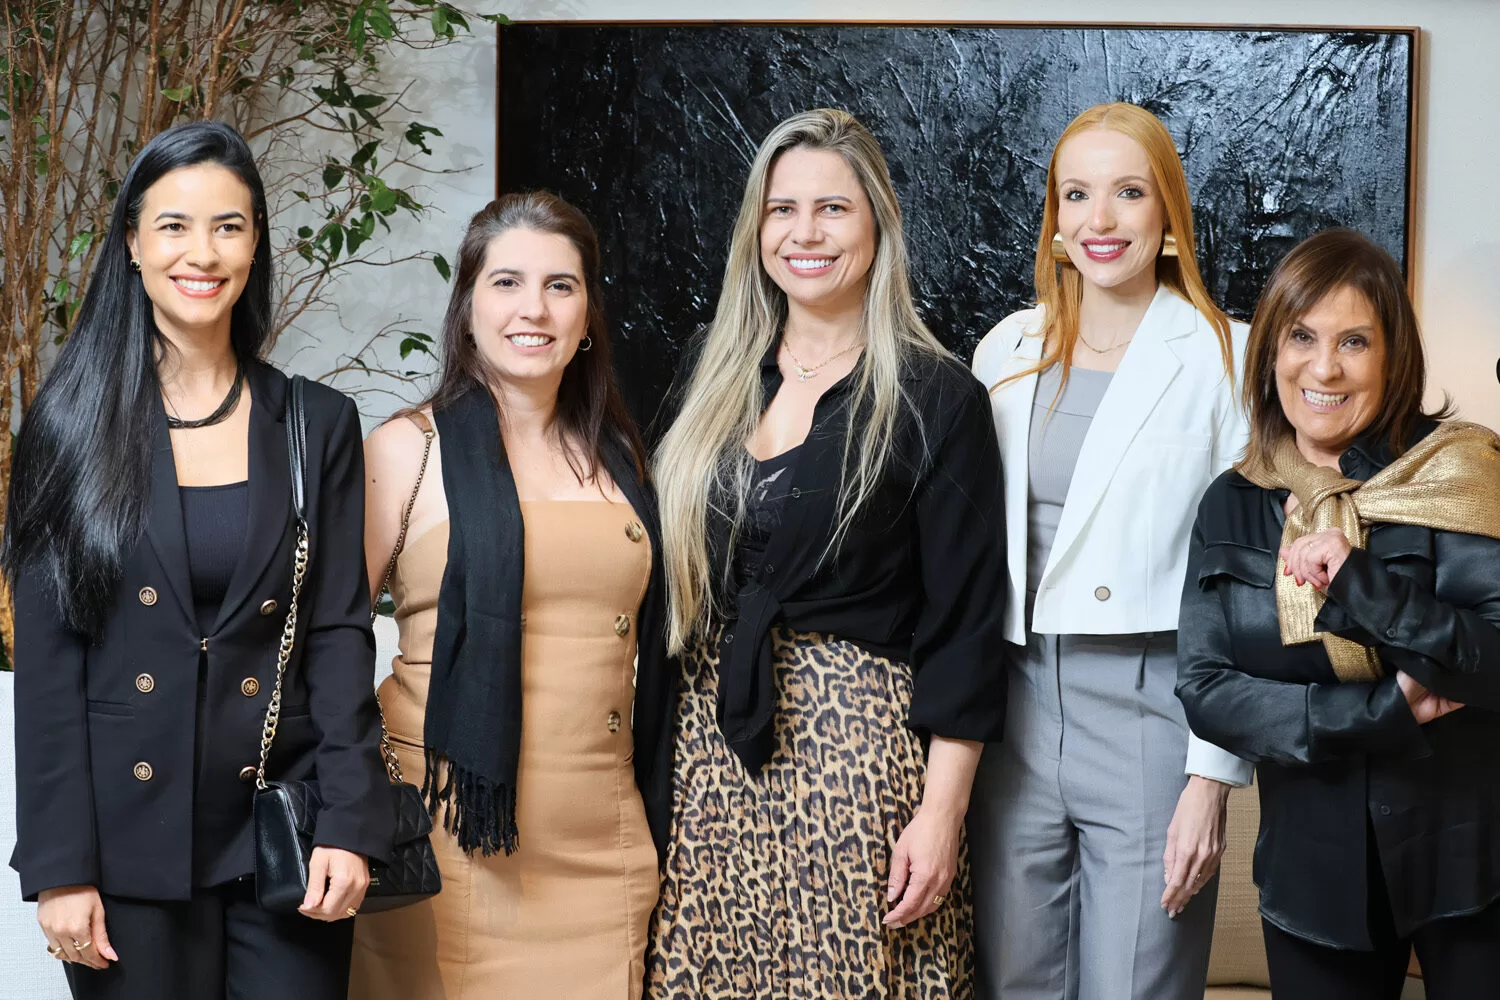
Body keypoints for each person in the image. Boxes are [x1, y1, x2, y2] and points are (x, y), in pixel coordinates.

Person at [4, 121, 391, 999]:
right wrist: (60, 867)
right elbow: (50, 665)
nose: (203, 253)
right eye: (174, 225)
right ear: (132, 243)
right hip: (125, 846)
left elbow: (338, 633)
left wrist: (350, 820)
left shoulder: (315, 423)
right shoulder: (68, 425)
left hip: (285, 833)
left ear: (255, 246)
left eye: (229, 226)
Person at [646, 108, 1006, 998]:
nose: (804, 233)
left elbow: (966, 627)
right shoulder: (708, 375)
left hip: (858, 760)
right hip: (705, 757)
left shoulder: (936, 396)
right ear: (756, 229)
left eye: (833, 209)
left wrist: (942, 812)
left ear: (878, 226)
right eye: (783, 209)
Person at [348, 191, 672, 1000]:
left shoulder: (623, 459)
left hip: (603, 844)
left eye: (561, 286)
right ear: (468, 308)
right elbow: (326, 640)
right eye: (507, 283)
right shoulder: (405, 450)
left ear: (588, 315)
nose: (535, 309)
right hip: (446, 841)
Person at [968, 102, 1254, 1000]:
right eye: (1077, 195)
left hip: (1151, 710)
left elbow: (1243, 581)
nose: (1101, 219)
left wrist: (1211, 779)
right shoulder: (1005, 350)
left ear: (1167, 212)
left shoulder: (1227, 357)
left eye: (1129, 192)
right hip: (1013, 708)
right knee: (1015, 982)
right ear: (1055, 220)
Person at [1177, 227, 1500, 1000]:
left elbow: (1493, 661)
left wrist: (1360, 581)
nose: (1324, 368)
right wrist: (1384, 712)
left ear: (1393, 357)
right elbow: (1207, 690)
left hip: (1470, 867)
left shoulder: (1459, 471)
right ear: (1271, 352)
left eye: (1354, 341)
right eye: (1302, 337)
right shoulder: (1232, 502)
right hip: (1312, 882)